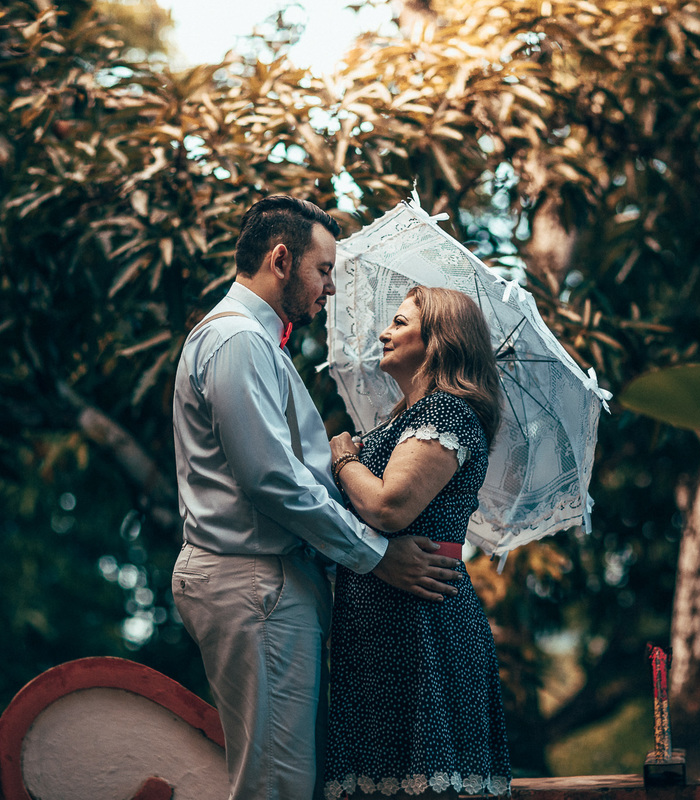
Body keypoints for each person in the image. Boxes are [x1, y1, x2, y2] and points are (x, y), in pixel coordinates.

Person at [170, 196, 463, 800]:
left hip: (267, 583)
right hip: (256, 583)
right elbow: (271, 479)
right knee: (278, 785)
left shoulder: (256, 343)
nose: (329, 287)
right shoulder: (237, 341)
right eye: (323, 270)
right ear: (281, 260)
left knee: (285, 779)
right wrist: (376, 555)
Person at [323, 287, 512, 799]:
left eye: (400, 323)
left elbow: (389, 507)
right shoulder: (403, 419)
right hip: (382, 626)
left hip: (423, 623)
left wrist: (343, 457)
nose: (385, 333)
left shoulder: (446, 414)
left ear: (438, 341)